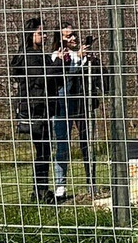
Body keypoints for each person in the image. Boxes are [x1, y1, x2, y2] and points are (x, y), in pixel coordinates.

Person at [11, 17, 62, 203]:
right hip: (35, 109)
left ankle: (40, 189)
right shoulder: (28, 56)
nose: (45, 35)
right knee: (42, 150)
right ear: (30, 35)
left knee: (45, 150)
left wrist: (59, 63)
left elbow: (56, 81)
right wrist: (56, 63)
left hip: (45, 107)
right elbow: (42, 79)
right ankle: (39, 191)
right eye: (41, 33)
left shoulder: (41, 55)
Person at [51, 22, 98, 198]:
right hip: (62, 103)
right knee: (62, 144)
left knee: (88, 144)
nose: (73, 38)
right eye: (68, 36)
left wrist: (91, 61)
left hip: (82, 102)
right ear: (60, 39)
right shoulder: (57, 55)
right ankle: (60, 185)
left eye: (74, 35)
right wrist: (79, 57)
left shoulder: (82, 54)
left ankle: (91, 183)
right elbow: (63, 75)